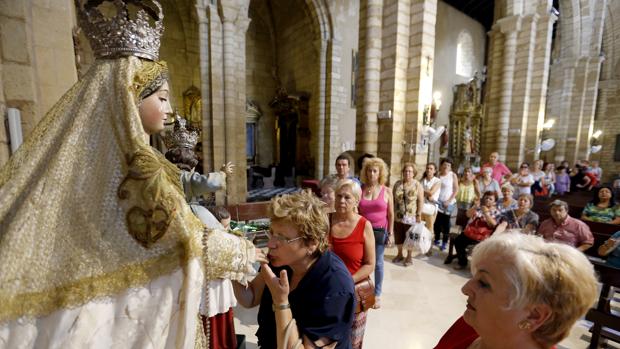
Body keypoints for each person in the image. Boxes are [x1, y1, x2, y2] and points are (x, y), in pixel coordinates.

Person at [0, 2, 256, 347]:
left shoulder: (91, 157)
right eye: (163, 98)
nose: (169, 109)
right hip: (120, 310)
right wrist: (242, 252)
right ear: (129, 95)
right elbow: (181, 237)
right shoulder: (140, 165)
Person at [233, 191, 355, 349]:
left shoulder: (336, 287)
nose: (270, 244)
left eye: (282, 238)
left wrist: (281, 301)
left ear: (312, 243)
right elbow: (250, 297)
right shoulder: (281, 261)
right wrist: (231, 266)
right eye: (271, 233)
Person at [435, 233, 598, 349]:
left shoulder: (479, 322)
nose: (465, 289)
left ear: (535, 315)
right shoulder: (471, 325)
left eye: (484, 284)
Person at [329, 179, 376, 348]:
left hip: (353, 294)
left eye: (347, 197)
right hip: (327, 293)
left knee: (353, 343)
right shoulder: (325, 222)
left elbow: (370, 264)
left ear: (357, 200)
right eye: (339, 196)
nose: (341, 200)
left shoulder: (364, 225)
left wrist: (347, 280)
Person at [358, 157, 394, 308]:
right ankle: (363, 290)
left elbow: (391, 214)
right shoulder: (360, 189)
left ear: (380, 173)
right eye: (369, 171)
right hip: (363, 231)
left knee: (378, 263)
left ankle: (377, 294)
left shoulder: (387, 191)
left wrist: (391, 233)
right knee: (362, 262)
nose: (372, 174)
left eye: (375, 171)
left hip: (379, 232)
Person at [450, 191, 500, 269]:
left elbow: (493, 225)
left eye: (491, 199)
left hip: (483, 236)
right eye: (486, 198)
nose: (488, 200)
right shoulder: (479, 207)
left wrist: (486, 212)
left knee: (477, 250)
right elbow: (467, 215)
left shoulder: (497, 212)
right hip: (471, 232)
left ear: (494, 202)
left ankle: (478, 268)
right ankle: (462, 262)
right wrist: (475, 207)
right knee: (458, 241)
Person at [392, 162, 424, 266]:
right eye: (405, 171)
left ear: (414, 173)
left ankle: (409, 257)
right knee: (398, 236)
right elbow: (392, 199)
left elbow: (420, 201)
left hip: (411, 217)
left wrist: (419, 214)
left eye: (410, 171)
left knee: (410, 237)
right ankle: (400, 254)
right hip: (398, 216)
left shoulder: (417, 185)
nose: (407, 173)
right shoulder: (397, 184)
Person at [434, 158, 459, 251]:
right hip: (438, 201)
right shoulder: (438, 175)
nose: (446, 167)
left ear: (451, 167)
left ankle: (444, 242)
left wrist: (449, 201)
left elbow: (456, 189)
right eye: (444, 164)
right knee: (437, 223)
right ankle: (436, 238)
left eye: (448, 165)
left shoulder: (452, 175)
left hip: (448, 202)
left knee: (446, 223)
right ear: (441, 165)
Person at [421, 163, 442, 237]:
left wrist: (422, 190)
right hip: (421, 206)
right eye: (427, 168)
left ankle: (428, 245)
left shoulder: (437, 181)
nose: (428, 170)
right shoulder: (422, 180)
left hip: (431, 207)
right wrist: (426, 191)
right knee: (421, 227)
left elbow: (431, 193)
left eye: (431, 169)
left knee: (429, 228)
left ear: (435, 171)